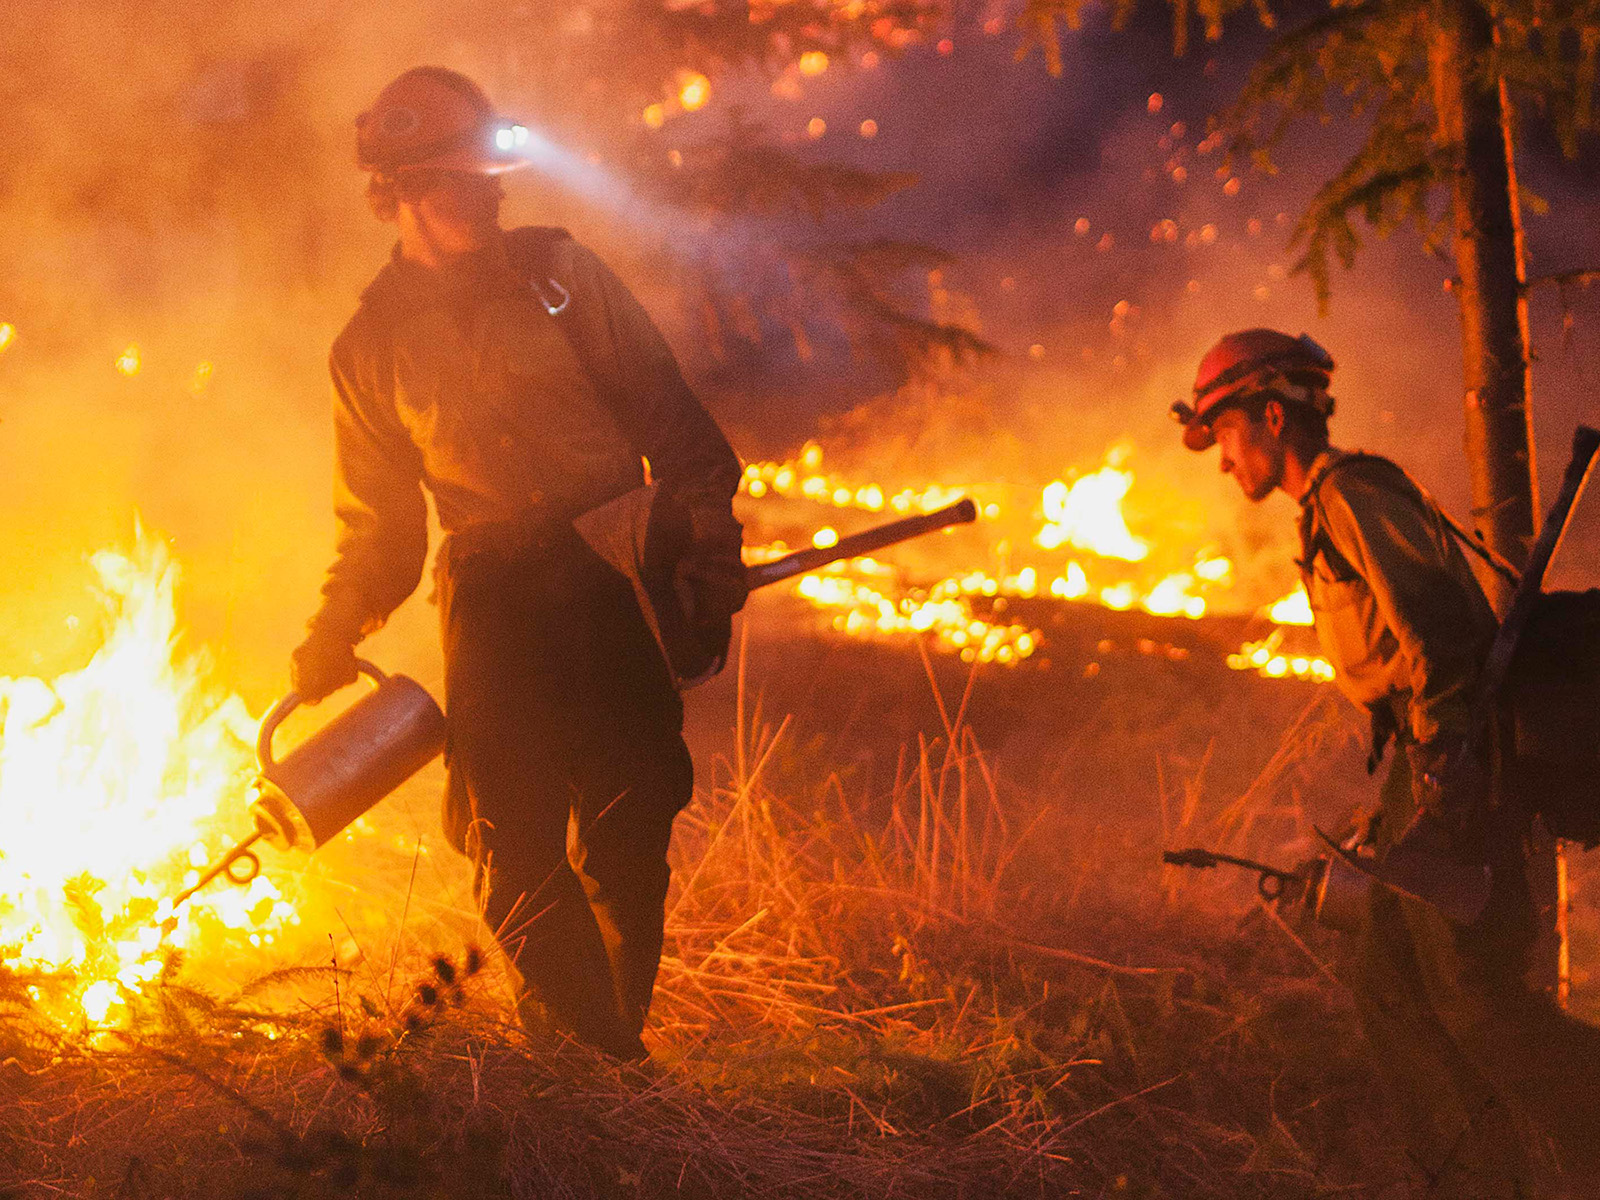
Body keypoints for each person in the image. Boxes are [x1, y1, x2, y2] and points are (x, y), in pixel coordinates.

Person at [290, 67, 746, 1060]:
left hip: (608, 574)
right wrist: (334, 630)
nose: (488, 197)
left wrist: (703, 539)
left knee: (628, 832)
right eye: (460, 181)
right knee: (508, 845)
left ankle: (602, 1056)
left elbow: (679, 430)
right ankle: (597, 1063)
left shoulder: (561, 278)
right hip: (494, 598)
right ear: (402, 191)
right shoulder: (368, 349)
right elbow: (380, 533)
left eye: (490, 177)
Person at [1173, 329, 1600, 1197]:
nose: (1222, 461)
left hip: (1462, 757)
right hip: (1431, 755)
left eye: (1223, 434)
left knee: (1478, 1000)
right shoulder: (1331, 506)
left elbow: (1442, 642)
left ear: (1269, 414)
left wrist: (1447, 786)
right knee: (1391, 988)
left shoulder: (1354, 494)